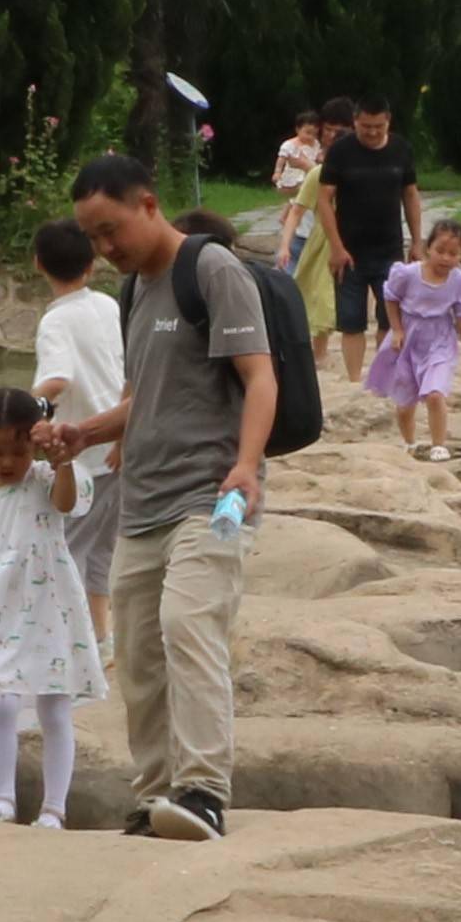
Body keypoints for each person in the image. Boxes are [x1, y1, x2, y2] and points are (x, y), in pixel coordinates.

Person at [36, 150, 274, 842]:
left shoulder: (211, 271)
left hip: (211, 495)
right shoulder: (134, 293)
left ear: (148, 205)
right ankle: (154, 796)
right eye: (93, 238)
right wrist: (81, 432)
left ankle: (203, 793)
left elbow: (260, 378)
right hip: (142, 500)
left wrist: (249, 466)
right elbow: (139, 400)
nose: (105, 249)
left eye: (112, 230)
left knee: (189, 627)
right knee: (137, 652)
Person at [0, 385, 101, 827]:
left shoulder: (47, 481)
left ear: (34, 444)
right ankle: (3, 800)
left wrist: (62, 461)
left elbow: (69, 504)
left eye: (17, 451)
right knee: (0, 701)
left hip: (52, 604)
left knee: (54, 704)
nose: (7, 463)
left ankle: (54, 808)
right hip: (1, 605)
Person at [27, 214, 127, 617]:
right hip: (121, 442)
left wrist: (24, 411)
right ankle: (100, 638)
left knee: (64, 550)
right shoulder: (108, 304)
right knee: (102, 551)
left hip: (83, 455)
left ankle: (65, 641)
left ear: (38, 263)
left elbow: (56, 377)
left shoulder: (55, 320)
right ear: (91, 264)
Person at [364, 211, 461, 459]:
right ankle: (410, 442)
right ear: (428, 248)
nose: (446, 258)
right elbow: (391, 297)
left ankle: (439, 444)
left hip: (439, 339)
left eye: (453, 254)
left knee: (435, 393)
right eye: (440, 251)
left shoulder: (459, 281)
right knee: (405, 400)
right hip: (409, 337)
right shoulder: (407, 274)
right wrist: (396, 329)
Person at [318, 93, 418, 378]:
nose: (372, 132)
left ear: (388, 122)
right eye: (366, 127)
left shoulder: (401, 149)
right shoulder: (340, 151)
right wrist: (336, 247)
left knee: (390, 319)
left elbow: (410, 194)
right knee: (351, 321)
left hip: (390, 249)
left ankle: (383, 376)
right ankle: (353, 379)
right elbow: (324, 199)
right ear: (355, 122)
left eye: (378, 126)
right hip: (349, 250)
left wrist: (418, 242)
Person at [263, 99, 336, 340]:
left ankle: (313, 342)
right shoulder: (298, 153)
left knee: (318, 290)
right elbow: (292, 197)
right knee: (287, 278)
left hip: (322, 237)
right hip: (302, 231)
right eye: (329, 130)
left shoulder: (321, 161)